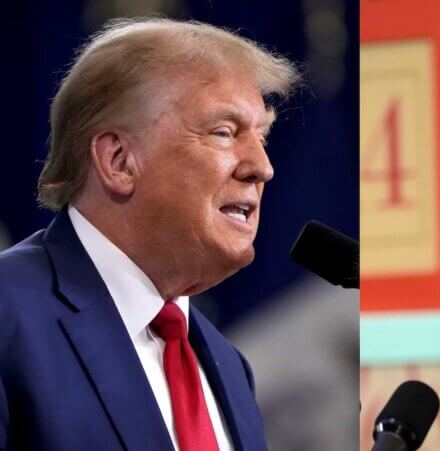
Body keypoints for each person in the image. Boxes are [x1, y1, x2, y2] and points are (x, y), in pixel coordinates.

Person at [0, 18, 298, 451]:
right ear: (119, 161)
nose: (262, 167)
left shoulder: (230, 370)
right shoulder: (10, 313)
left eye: (262, 137)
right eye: (223, 133)